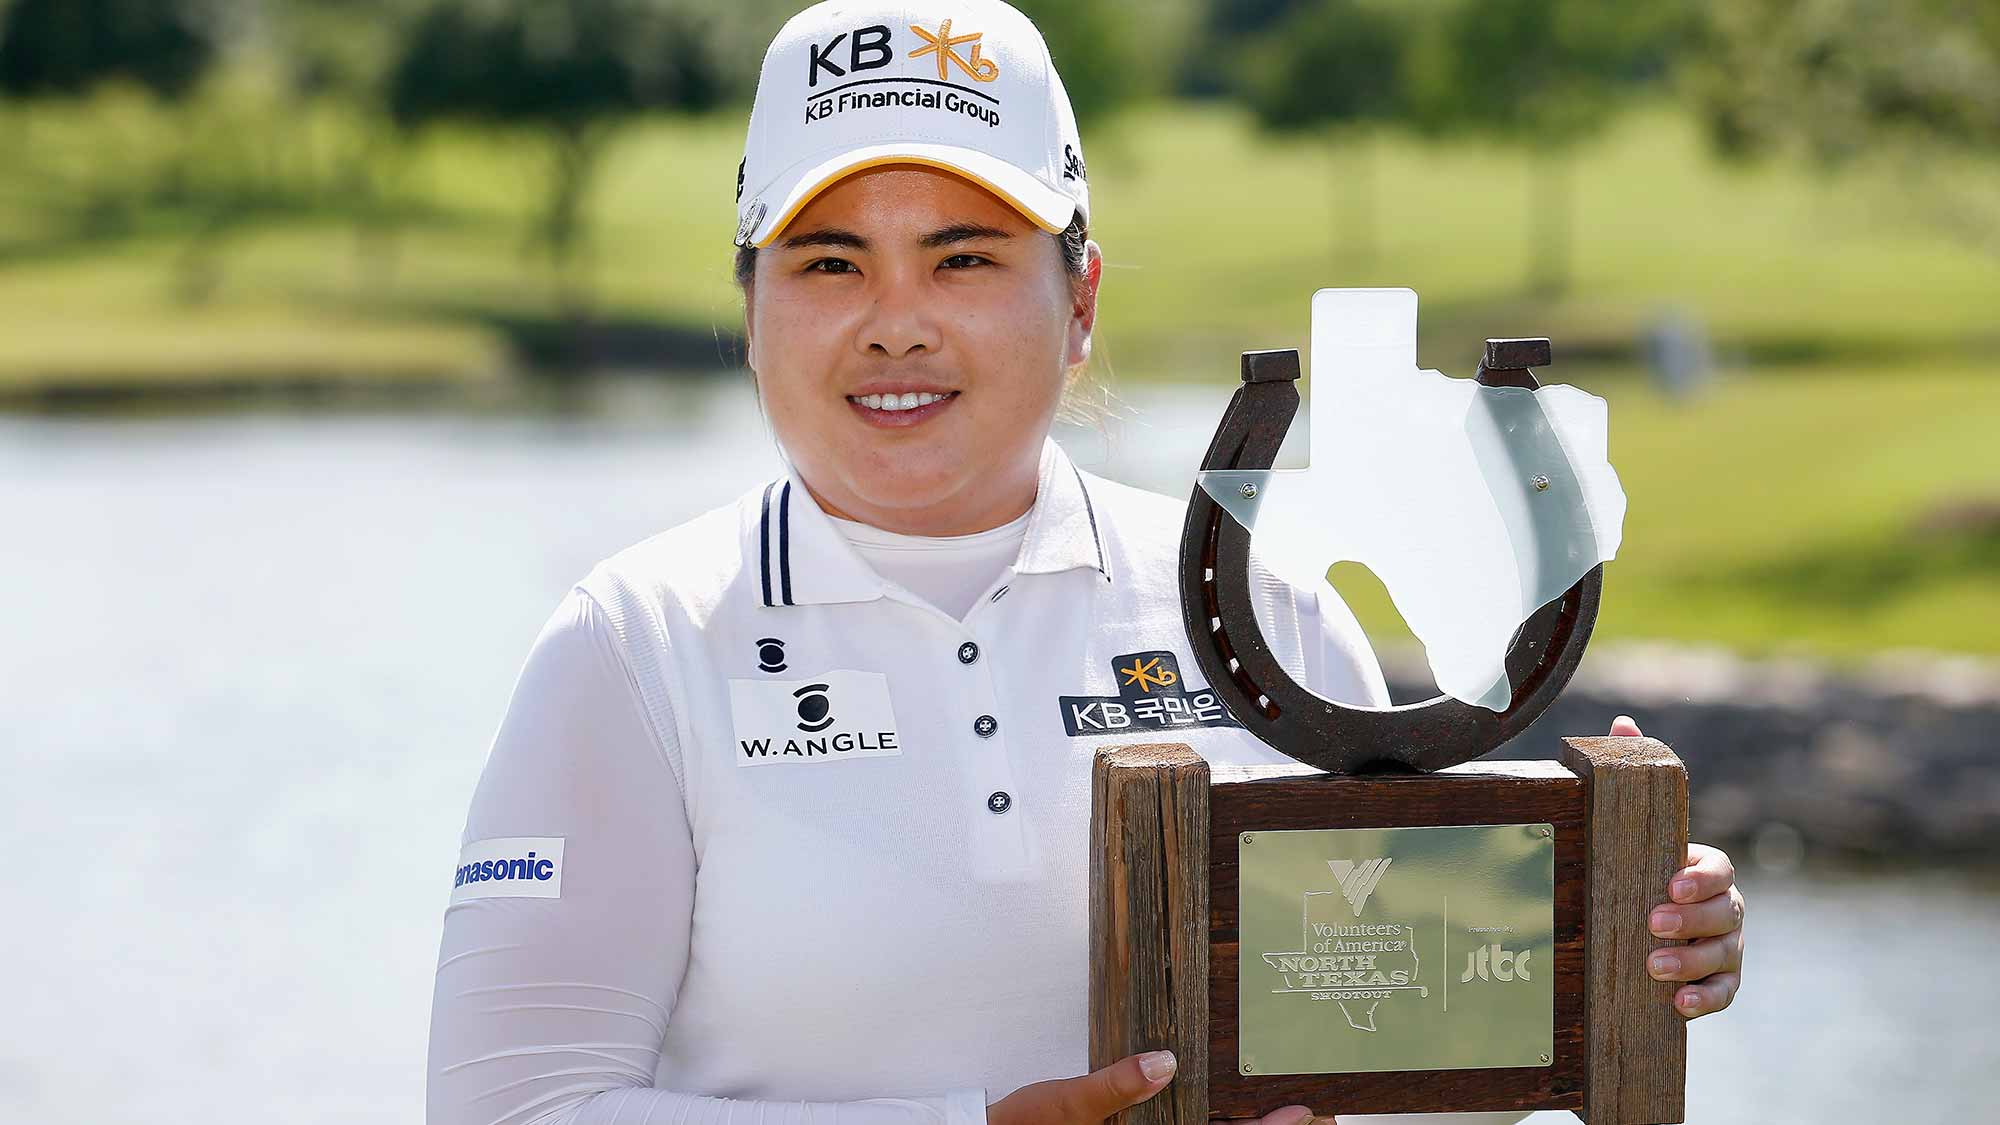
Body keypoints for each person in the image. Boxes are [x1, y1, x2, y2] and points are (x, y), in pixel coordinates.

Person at [425, 3, 1747, 1124]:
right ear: (753, 306)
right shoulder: (635, 644)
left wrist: (1605, 937)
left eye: (966, 256)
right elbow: (511, 1108)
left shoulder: (1278, 613)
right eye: (831, 260)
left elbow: (1413, 1029)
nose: (897, 324)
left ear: (1083, 303)